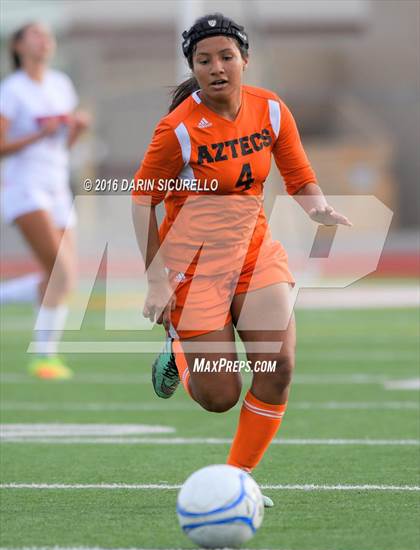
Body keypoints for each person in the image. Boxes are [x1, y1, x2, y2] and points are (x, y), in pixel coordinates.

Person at [132, 13, 351, 506]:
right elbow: (141, 198)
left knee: (278, 368)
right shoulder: (177, 130)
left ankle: (237, 479)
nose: (217, 67)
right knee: (220, 397)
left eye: (226, 56)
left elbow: (297, 173)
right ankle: (178, 356)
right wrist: (154, 280)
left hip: (255, 254)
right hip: (194, 267)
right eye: (204, 59)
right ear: (193, 66)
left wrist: (317, 205)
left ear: (244, 59)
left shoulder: (270, 109)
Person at [0, 22, 90, 380]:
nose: (45, 39)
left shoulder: (60, 85)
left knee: (63, 280)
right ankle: (43, 356)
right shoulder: (12, 90)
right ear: (19, 45)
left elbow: (61, 146)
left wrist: (76, 130)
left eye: (48, 34)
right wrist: (40, 133)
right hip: (24, 187)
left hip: (56, 187)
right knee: (61, 272)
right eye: (35, 34)